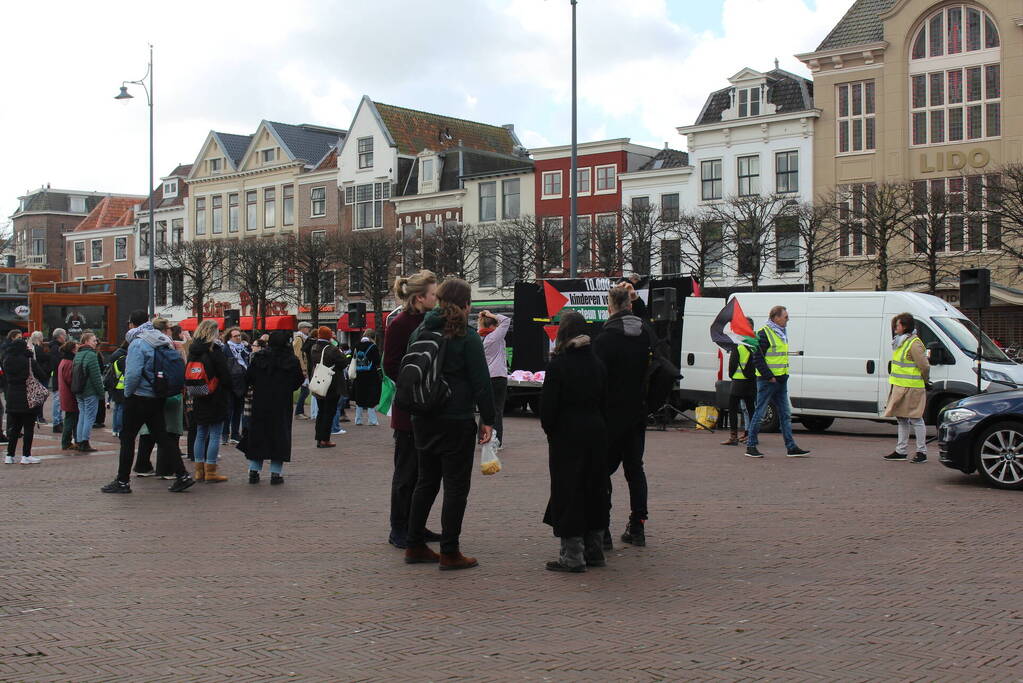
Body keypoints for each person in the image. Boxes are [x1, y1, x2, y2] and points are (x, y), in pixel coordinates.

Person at [404, 278, 495, 571]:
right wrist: (488, 419)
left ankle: (414, 544)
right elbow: (481, 382)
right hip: (455, 417)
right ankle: (450, 551)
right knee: (456, 487)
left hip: (422, 416)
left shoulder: (421, 329)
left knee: (425, 483)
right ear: (465, 303)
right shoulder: (466, 336)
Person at [593, 283, 665, 548]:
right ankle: (638, 526)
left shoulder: (604, 338)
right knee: (635, 469)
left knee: (602, 472)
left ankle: (603, 531)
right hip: (637, 411)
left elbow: (597, 378)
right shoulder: (645, 332)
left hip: (610, 414)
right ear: (630, 305)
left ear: (609, 307)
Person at [541, 310, 610, 572]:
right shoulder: (598, 364)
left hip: (567, 435)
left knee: (568, 491)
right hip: (596, 431)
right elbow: (605, 402)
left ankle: (572, 556)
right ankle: (595, 551)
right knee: (595, 488)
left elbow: (548, 408)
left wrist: (552, 430)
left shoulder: (558, 365)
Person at [100, 317, 195, 494]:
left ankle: (122, 481)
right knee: (162, 436)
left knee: (127, 438)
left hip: (139, 396)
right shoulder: (163, 342)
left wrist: (128, 393)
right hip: (158, 395)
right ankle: (182, 475)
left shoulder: (138, 344)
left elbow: (134, 373)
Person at [382, 269, 440, 549]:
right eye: (433, 294)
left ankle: (416, 524)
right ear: (420, 298)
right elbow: (390, 364)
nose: (437, 298)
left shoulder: (429, 321)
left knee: (423, 474)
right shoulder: (401, 324)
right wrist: (414, 384)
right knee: (406, 474)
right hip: (409, 411)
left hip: (427, 410)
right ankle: (398, 528)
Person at [240, 331, 305, 484]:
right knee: (280, 436)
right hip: (281, 403)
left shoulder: (259, 357)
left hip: (261, 402)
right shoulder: (291, 360)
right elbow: (298, 380)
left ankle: (254, 471)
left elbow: (248, 377)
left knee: (259, 436)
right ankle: (276, 473)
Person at [745, 305, 810, 458]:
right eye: (785, 317)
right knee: (760, 413)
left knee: (785, 414)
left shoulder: (781, 333)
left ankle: (791, 447)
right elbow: (758, 358)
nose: (788, 320)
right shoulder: (764, 334)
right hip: (769, 381)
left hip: (780, 379)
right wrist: (769, 376)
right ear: (776, 318)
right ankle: (751, 445)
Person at [132, 319, 185, 479]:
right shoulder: (170, 345)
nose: (171, 330)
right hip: (169, 392)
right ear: (165, 330)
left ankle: (142, 465)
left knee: (149, 431)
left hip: (150, 392)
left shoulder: (144, 345)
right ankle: (166, 469)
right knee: (169, 431)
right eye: (169, 328)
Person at [187, 320, 232, 483]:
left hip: (199, 394)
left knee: (200, 433)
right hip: (215, 395)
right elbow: (224, 375)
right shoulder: (215, 350)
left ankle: (199, 471)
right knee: (214, 434)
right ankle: (211, 470)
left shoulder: (193, 350)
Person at [883, 312, 931, 463]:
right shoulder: (900, 341)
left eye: (897, 325)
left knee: (916, 419)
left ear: (904, 326)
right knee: (902, 419)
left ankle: (921, 452)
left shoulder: (914, 343)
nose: (894, 328)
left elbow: (924, 365)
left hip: (912, 387)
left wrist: (925, 380)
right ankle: (901, 450)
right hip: (900, 386)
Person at [3, 336, 48, 464]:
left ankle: (9, 455)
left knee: (15, 428)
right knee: (28, 427)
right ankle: (26, 455)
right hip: (28, 398)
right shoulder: (29, 361)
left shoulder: (7, 360)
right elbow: (42, 375)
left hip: (12, 397)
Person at [721, 317, 758, 447]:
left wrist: (732, 375)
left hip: (738, 382)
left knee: (732, 408)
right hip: (752, 381)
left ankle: (733, 437)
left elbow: (732, 364)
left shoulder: (739, 344)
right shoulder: (755, 343)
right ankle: (752, 436)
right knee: (751, 409)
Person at [308, 326, 346, 448]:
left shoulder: (314, 347)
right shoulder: (332, 349)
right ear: (329, 336)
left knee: (321, 411)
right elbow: (343, 362)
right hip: (331, 383)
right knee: (329, 412)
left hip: (319, 382)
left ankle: (319, 438)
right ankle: (325, 439)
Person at [478, 310, 510, 448]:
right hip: (498, 376)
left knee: (485, 408)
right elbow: (506, 320)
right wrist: (491, 315)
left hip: (486, 377)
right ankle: (496, 440)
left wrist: (483, 318)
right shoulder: (494, 337)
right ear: (492, 327)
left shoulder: (480, 338)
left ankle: (482, 437)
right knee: (497, 410)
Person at [72, 332, 104, 453]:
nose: (96, 343)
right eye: (93, 340)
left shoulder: (78, 355)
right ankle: (85, 442)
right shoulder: (91, 355)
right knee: (90, 417)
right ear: (86, 342)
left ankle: (79, 440)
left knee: (82, 415)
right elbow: (96, 377)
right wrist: (101, 393)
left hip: (79, 389)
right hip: (90, 391)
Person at [222, 327, 248, 444]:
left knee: (238, 409)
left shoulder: (244, 349)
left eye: (239, 335)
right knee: (228, 410)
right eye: (235, 336)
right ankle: (225, 434)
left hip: (242, 382)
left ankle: (235, 434)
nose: (238, 338)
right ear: (229, 337)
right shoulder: (225, 349)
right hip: (230, 383)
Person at [352, 329, 381, 426]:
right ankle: (372, 420)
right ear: (373, 337)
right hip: (371, 374)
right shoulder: (373, 346)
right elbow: (377, 361)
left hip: (359, 374)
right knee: (371, 396)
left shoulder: (356, 345)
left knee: (359, 396)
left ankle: (358, 419)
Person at [57, 341, 79, 451]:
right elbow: (71, 380)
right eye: (76, 348)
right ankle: (66, 442)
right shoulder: (69, 363)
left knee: (71, 418)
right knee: (71, 419)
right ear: (72, 350)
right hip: (70, 395)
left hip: (66, 394)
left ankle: (72, 440)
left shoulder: (64, 361)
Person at [106, 340, 129, 437]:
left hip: (115, 386)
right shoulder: (123, 359)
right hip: (121, 386)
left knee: (116, 408)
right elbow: (127, 373)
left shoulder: (116, 357)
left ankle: (115, 429)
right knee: (121, 409)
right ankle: (120, 429)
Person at [47, 328, 67, 432]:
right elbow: (57, 363)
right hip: (58, 377)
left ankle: (59, 420)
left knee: (59, 399)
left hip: (59, 376)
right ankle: (56, 422)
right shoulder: (56, 348)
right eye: (64, 335)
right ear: (60, 336)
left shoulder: (57, 347)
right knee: (58, 400)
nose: (66, 337)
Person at [28, 331, 50, 425]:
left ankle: (35, 415)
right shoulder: (39, 349)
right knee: (40, 396)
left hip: (34, 375)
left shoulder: (31, 348)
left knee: (34, 396)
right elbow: (45, 359)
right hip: (40, 375)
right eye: (41, 337)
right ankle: (39, 416)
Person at [293, 322, 313, 419]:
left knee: (305, 391)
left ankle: (300, 411)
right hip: (303, 368)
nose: (308, 329)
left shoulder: (303, 339)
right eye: (307, 328)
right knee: (305, 391)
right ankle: (298, 412)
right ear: (302, 328)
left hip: (305, 368)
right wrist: (303, 369)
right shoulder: (299, 339)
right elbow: (298, 355)